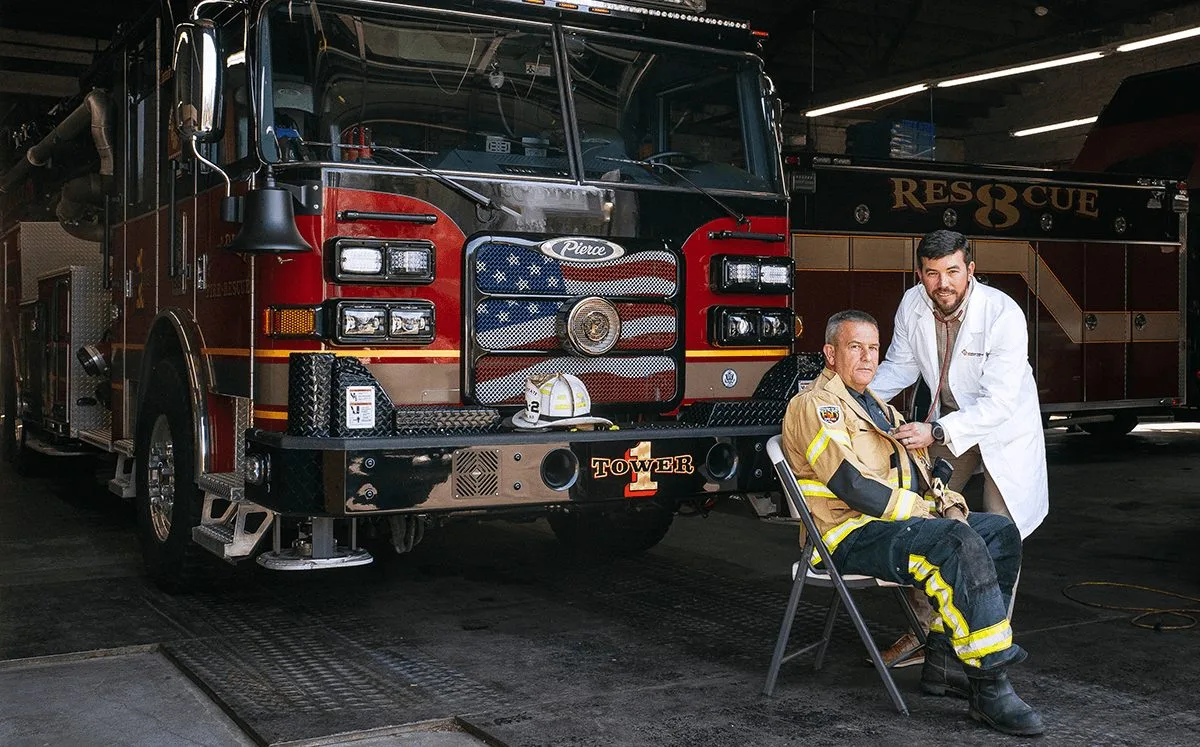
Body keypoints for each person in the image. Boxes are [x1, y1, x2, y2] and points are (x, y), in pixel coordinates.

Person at [781, 310, 1044, 736]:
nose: (867, 357)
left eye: (873, 348)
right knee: (954, 544)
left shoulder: (880, 408)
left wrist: (949, 503)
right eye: (854, 347)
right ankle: (990, 682)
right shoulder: (815, 406)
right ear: (830, 354)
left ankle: (941, 661)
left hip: (886, 524)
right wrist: (929, 513)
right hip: (845, 534)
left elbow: (920, 471)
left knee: (998, 531)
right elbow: (853, 487)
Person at [870, 229, 1050, 667]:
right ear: (920, 274)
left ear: (970, 270)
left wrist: (934, 432)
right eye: (932, 274)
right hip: (951, 428)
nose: (942, 283)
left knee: (999, 535)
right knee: (920, 515)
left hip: (1001, 431)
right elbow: (898, 366)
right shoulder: (913, 304)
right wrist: (850, 399)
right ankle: (922, 633)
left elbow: (1001, 402)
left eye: (952, 271)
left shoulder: (1001, 313)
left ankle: (989, 648)